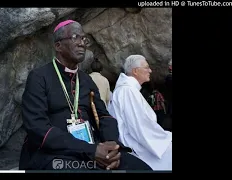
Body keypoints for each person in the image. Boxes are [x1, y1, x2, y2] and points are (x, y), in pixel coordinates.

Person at [18, 20, 152, 171]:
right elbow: (38, 128)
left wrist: (110, 147)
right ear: (58, 46)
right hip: (52, 154)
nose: (81, 43)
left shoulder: (86, 79)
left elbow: (104, 116)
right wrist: (90, 150)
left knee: (142, 169)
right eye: (75, 37)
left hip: (91, 150)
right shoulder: (39, 77)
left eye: (83, 38)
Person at [108, 55, 172, 171]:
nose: (150, 70)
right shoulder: (128, 91)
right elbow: (140, 127)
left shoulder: (128, 90)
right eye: (147, 67)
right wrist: (166, 138)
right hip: (134, 146)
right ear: (136, 71)